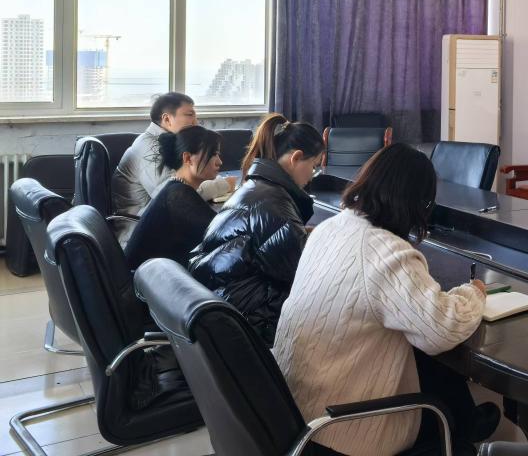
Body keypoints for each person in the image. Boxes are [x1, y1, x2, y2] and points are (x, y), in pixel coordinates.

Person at [273, 143, 499, 456]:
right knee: (431, 359)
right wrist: (474, 291)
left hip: (295, 412)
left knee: (420, 355)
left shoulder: (328, 228)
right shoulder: (386, 252)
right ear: (418, 204)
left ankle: (465, 422)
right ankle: (461, 432)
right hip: (342, 432)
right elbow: (444, 328)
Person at [189, 113, 324, 345]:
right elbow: (304, 274)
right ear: (296, 158)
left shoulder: (256, 188)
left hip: (224, 306)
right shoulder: (273, 204)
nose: (312, 176)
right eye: (313, 166)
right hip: (246, 323)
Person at [111, 92, 234, 244]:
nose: (196, 122)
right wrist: (222, 185)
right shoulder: (151, 147)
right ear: (167, 119)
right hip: (138, 237)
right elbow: (173, 197)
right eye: (190, 115)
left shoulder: (167, 142)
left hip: (163, 228)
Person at [123, 126, 222, 270]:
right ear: (187, 158)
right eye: (213, 154)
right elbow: (221, 234)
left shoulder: (177, 189)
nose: (219, 162)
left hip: (160, 276)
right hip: (146, 281)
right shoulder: (178, 195)